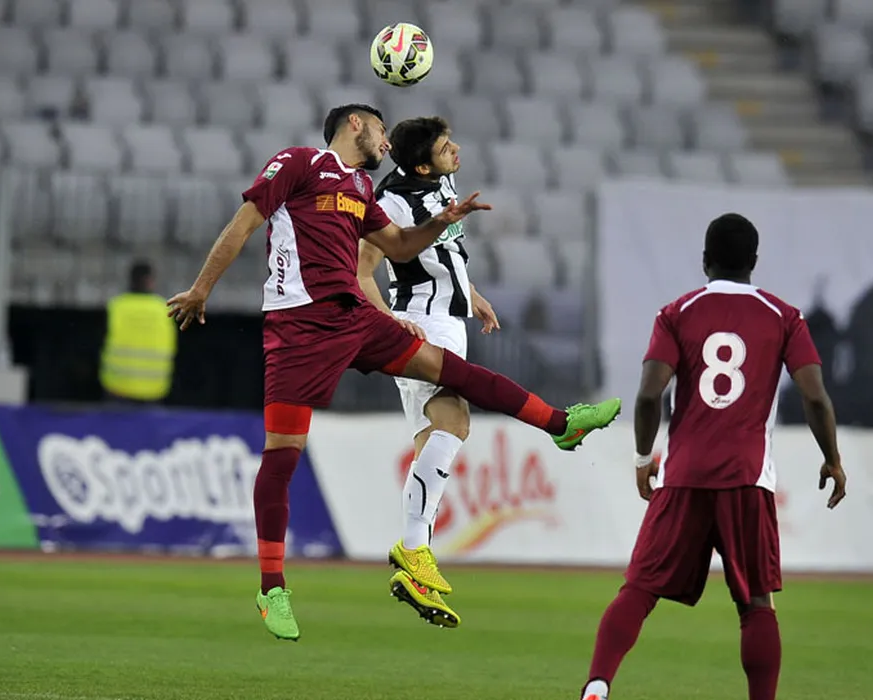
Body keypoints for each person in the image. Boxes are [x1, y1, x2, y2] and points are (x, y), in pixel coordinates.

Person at [165, 104, 622, 642]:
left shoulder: (361, 187)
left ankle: (561, 424)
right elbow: (243, 224)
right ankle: (272, 589)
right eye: (381, 129)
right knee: (282, 457)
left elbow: (400, 246)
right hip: (299, 327)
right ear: (355, 124)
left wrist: (440, 223)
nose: (387, 140)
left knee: (456, 373)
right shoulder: (299, 163)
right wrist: (201, 289)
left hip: (355, 318)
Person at [578, 213, 848, 700]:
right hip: (747, 477)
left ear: (705, 261)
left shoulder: (676, 313)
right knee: (756, 604)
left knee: (639, 588)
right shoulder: (783, 316)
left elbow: (648, 395)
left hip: (684, 474)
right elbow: (815, 396)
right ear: (754, 261)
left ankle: (597, 685)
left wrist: (642, 459)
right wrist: (832, 458)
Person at [356, 116, 498, 629]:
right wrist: (389, 321)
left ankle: (415, 562)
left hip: (448, 317)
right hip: (422, 320)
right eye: (444, 147)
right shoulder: (392, 203)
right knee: (454, 421)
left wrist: (471, 294)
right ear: (421, 166)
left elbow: (445, 247)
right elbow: (361, 269)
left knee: (431, 441)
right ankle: (414, 548)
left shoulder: (443, 180)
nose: (455, 150)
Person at [100, 261, 177, 404]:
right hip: (154, 391)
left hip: (117, 388)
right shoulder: (163, 308)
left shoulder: (116, 306)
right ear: (151, 281)